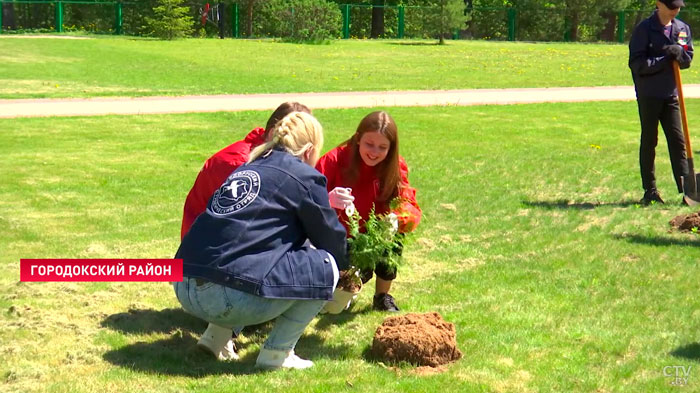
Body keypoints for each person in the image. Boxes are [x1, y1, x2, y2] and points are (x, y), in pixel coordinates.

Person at [174, 111, 348, 370]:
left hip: (183, 283)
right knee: (325, 265)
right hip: (226, 297)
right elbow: (332, 242)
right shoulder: (304, 176)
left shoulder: (247, 167)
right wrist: (348, 268)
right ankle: (278, 354)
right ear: (310, 149)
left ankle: (215, 339)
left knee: (242, 257)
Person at [315, 111, 421, 312]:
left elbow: (409, 203)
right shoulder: (333, 160)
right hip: (339, 237)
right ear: (357, 139)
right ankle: (341, 285)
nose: (374, 152)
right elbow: (305, 198)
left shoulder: (395, 166)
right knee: (337, 298)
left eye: (383, 147)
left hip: (375, 236)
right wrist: (327, 200)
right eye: (369, 144)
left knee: (395, 240)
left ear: (391, 149)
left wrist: (397, 219)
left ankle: (382, 296)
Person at [181, 102, 311, 239]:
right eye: (298, 139)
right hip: (207, 245)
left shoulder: (265, 157)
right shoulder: (240, 165)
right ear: (273, 133)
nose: (300, 149)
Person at [629, 0, 693, 204]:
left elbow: (687, 59)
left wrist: (680, 54)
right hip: (649, 94)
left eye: (678, 6)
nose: (676, 9)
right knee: (649, 140)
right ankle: (650, 190)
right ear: (659, 4)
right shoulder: (644, 29)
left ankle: (688, 191)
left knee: (678, 141)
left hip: (671, 93)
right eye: (672, 5)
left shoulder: (682, 29)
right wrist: (664, 58)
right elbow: (637, 64)